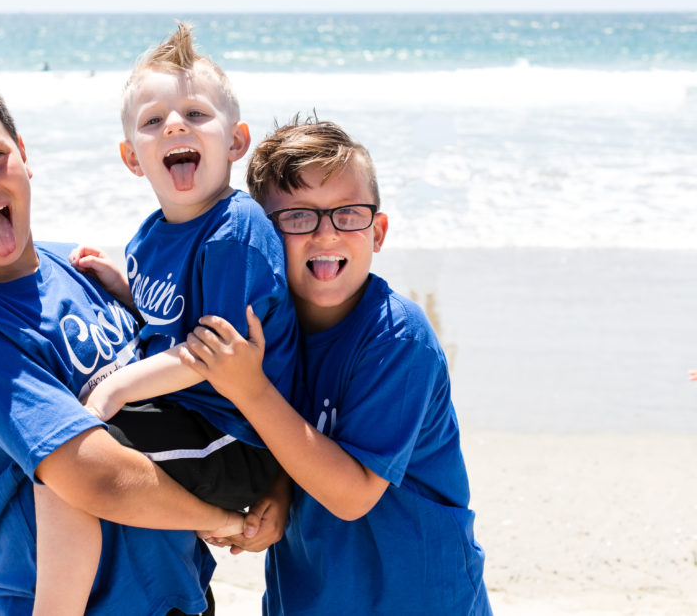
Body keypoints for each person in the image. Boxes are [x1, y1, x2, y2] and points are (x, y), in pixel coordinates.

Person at [0, 61, 243, 616]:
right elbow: (95, 476)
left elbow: (181, 379)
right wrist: (224, 520)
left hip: (178, 590)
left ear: (23, 153)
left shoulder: (78, 266)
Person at [35, 23, 300, 614]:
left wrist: (114, 390)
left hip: (235, 440)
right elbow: (175, 321)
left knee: (69, 460)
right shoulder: (152, 234)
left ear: (236, 141)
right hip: (188, 419)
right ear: (133, 157)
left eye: (196, 114)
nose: (175, 125)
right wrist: (127, 289)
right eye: (153, 122)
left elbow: (211, 355)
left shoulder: (237, 232)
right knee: (65, 438)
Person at [182, 117, 491, 614]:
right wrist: (278, 493)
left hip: (418, 598)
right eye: (298, 217)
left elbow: (352, 495)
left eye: (348, 214)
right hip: (308, 595)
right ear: (261, 234)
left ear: (378, 231)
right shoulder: (267, 331)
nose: (326, 234)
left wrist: (251, 389)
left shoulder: (397, 337)